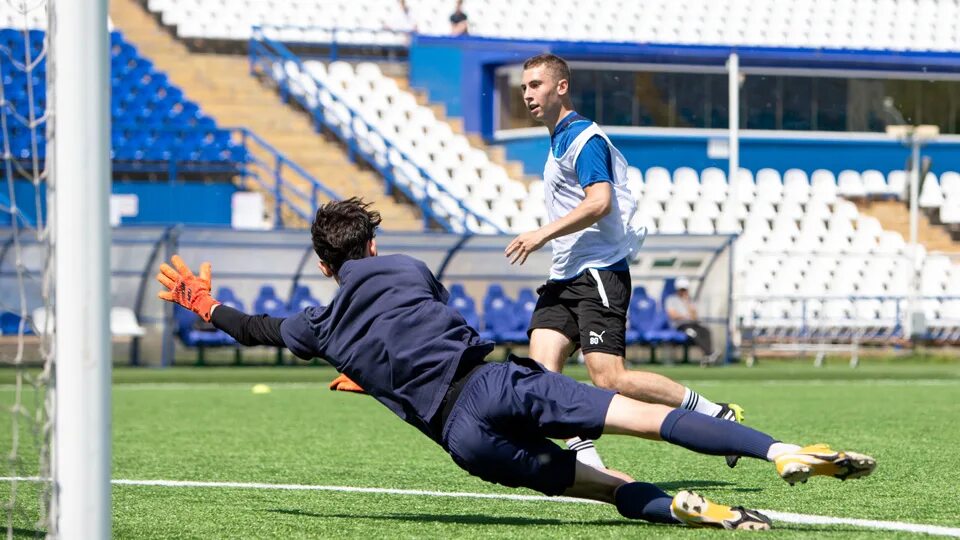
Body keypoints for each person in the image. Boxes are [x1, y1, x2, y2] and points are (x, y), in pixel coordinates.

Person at [157, 198, 876, 531]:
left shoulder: (317, 325)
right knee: (649, 420)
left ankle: (691, 513)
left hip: (460, 437)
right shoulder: (406, 267)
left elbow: (256, 329)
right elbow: (423, 320)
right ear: (371, 248)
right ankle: (780, 450)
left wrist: (204, 306)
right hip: (494, 380)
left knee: (595, 484)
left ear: (323, 265)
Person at [504, 53, 742, 469]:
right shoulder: (559, 137)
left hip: (597, 273)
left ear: (561, 87)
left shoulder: (583, 139)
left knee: (610, 378)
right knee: (542, 377)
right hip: (565, 275)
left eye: (536, 85)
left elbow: (600, 202)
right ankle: (587, 462)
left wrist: (542, 233)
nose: (527, 94)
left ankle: (713, 413)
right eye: (524, 87)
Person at [665, 277, 719, 365]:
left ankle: (707, 356)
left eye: (685, 289)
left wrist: (687, 303)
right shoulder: (671, 299)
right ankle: (709, 354)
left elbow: (694, 316)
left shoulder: (689, 300)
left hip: (692, 323)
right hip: (681, 325)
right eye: (681, 289)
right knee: (692, 332)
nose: (683, 291)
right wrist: (685, 316)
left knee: (706, 331)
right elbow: (672, 315)